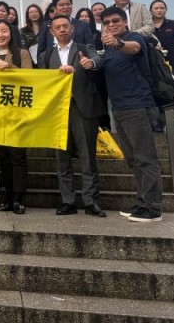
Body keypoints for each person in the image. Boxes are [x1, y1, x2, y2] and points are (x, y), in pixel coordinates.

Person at [99, 6, 163, 222]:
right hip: (119, 109)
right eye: (106, 22)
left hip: (137, 106)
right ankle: (143, 202)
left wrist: (118, 43)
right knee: (134, 159)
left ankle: (153, 209)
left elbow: (134, 48)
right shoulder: (108, 47)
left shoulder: (133, 38)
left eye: (115, 21)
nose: (111, 25)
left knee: (145, 158)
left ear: (125, 22)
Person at [40, 15, 106, 218]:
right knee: (62, 157)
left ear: (72, 29)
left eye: (65, 26)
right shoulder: (46, 55)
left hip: (83, 107)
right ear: (52, 31)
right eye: (58, 27)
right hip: (57, 110)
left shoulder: (84, 48)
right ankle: (68, 201)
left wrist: (90, 63)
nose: (62, 30)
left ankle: (91, 201)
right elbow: (41, 80)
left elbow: (98, 60)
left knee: (87, 156)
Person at [0, 19, 32, 214]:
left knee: (17, 156)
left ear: (11, 34)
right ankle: (8, 198)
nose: (0, 35)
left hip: (18, 113)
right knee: (3, 157)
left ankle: (19, 199)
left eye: (4, 31)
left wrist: (10, 66)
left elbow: (30, 78)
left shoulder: (22, 53)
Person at [150, 0, 174, 101]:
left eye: (162, 8)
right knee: (160, 95)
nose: (159, 10)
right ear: (151, 11)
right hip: (156, 66)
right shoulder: (146, 26)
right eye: (156, 8)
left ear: (165, 10)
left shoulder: (173, 24)